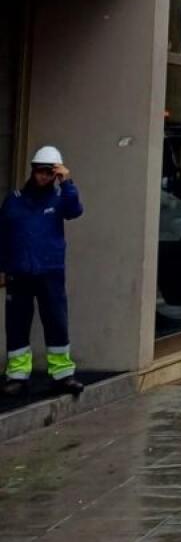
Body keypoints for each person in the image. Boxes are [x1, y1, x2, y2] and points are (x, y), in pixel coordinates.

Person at [1, 146, 84, 397]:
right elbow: (3, 236)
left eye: (50, 173)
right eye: (40, 172)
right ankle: (17, 375)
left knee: (56, 322)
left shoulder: (60, 199)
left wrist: (67, 182)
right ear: (33, 171)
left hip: (50, 272)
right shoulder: (14, 200)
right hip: (20, 273)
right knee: (16, 324)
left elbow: (75, 211)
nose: (44, 177)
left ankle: (62, 375)